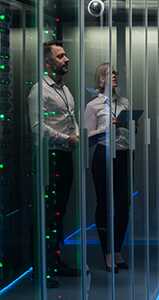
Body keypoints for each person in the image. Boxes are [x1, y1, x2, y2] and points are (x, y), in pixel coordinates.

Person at [28, 40, 80, 288]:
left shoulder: (65, 90)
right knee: (48, 214)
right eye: (60, 56)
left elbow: (71, 118)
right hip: (50, 157)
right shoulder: (40, 91)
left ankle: (56, 262)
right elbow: (38, 129)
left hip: (65, 156)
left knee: (59, 213)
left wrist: (76, 133)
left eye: (65, 55)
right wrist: (66, 138)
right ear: (48, 62)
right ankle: (43, 269)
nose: (66, 59)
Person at [85, 63, 130, 273]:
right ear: (100, 80)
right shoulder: (93, 105)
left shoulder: (124, 102)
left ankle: (117, 249)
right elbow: (87, 137)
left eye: (115, 73)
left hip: (122, 155)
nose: (114, 76)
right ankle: (108, 252)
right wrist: (106, 128)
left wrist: (131, 125)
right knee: (105, 203)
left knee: (123, 204)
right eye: (109, 74)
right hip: (103, 155)